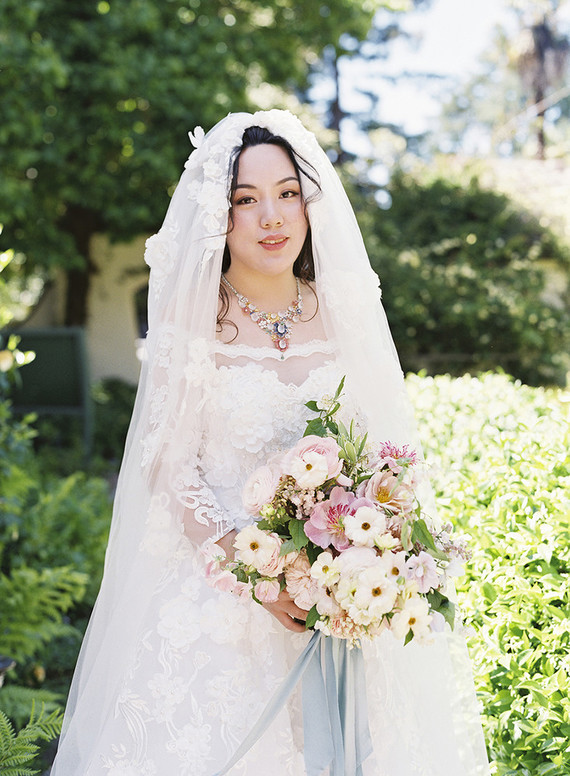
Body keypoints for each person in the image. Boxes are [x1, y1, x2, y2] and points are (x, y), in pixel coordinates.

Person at [51, 110, 490, 776]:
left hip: (346, 597)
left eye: (288, 193)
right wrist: (251, 573)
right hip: (221, 597)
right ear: (216, 218)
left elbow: (381, 451)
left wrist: (368, 553)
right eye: (246, 201)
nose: (272, 217)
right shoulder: (192, 324)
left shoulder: (341, 311)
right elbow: (168, 462)